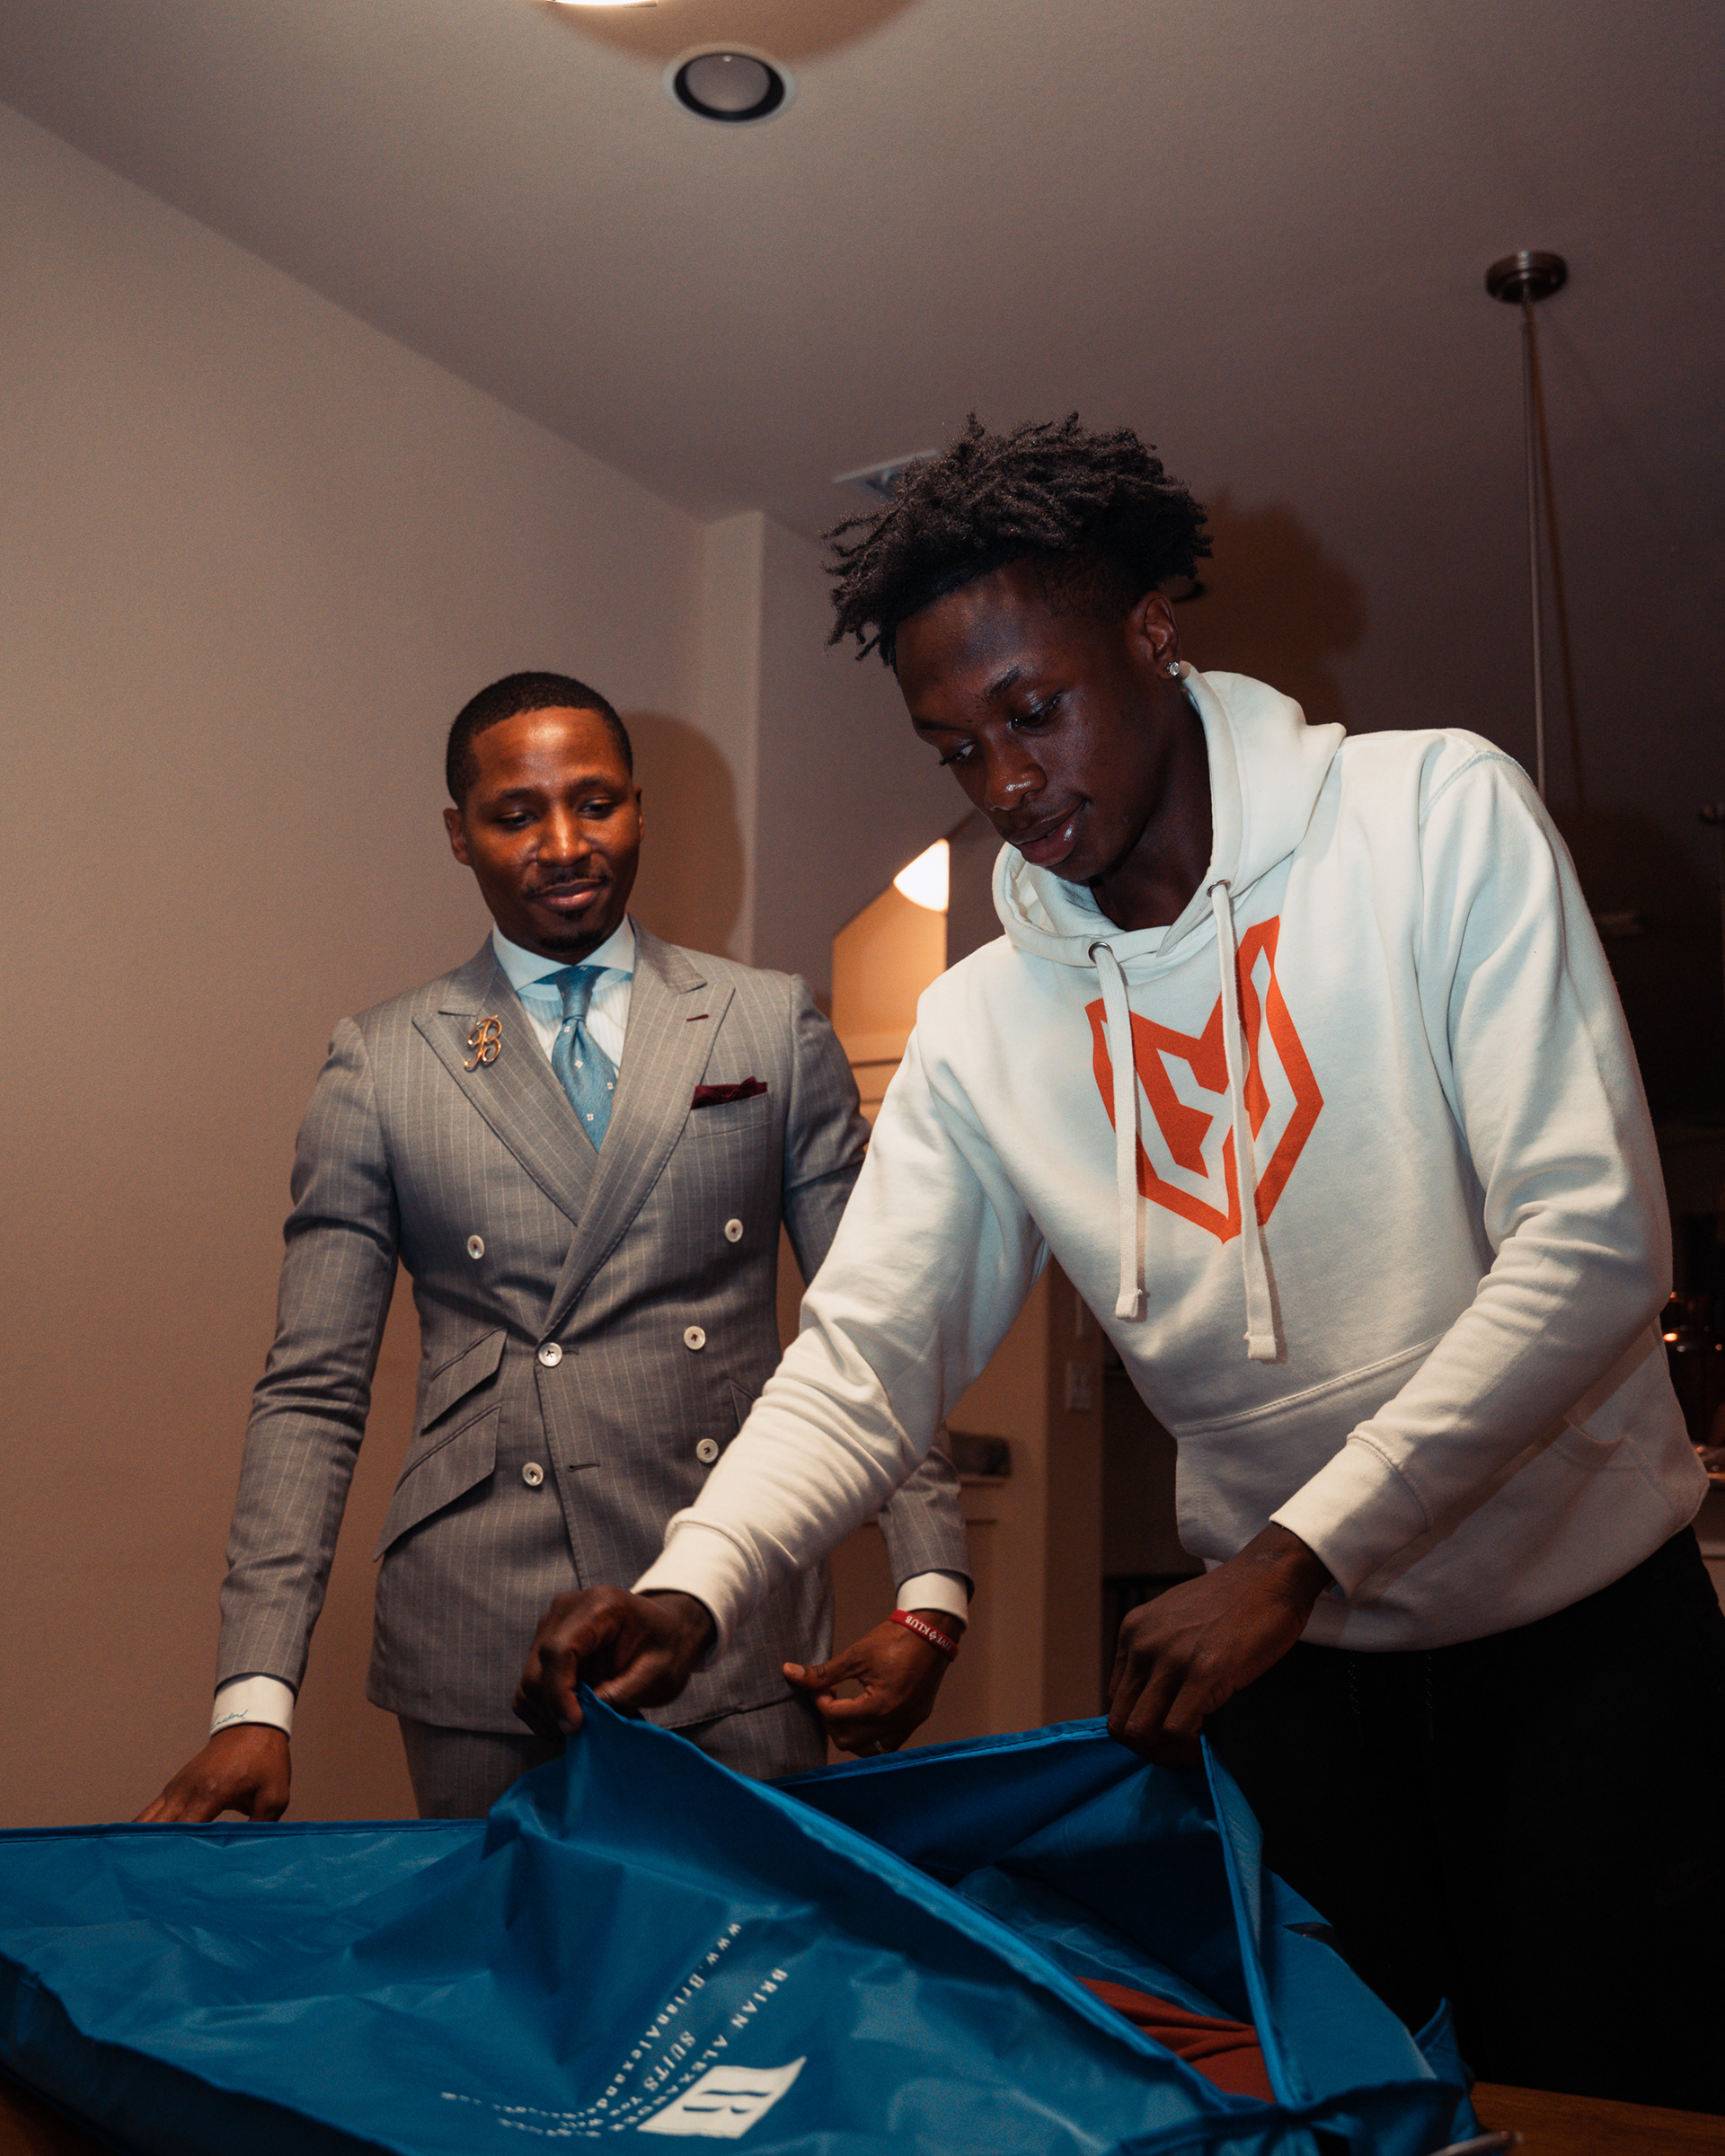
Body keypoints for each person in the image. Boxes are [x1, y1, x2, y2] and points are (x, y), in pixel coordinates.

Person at [514, 420, 1725, 2111]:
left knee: (1621, 2106)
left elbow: (1593, 1243)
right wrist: (693, 1582)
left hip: (1582, 1646)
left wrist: (1294, 1556)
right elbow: (868, 1362)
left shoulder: (1432, 814)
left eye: (1034, 711)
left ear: (1155, 633)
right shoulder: (981, 1023)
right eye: (957, 748)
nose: (1006, 783)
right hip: (1297, 1687)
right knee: (1343, 2113)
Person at [141, 670, 970, 1824]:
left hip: (731, 1596)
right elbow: (312, 1392)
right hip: (484, 1622)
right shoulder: (384, 1062)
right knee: (517, 1936)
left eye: (595, 803)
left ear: (638, 808)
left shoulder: (766, 1021)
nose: (566, 845)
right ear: (459, 835)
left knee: (745, 1935)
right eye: (516, 814)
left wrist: (931, 1589)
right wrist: (253, 1699)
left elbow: (874, 1325)